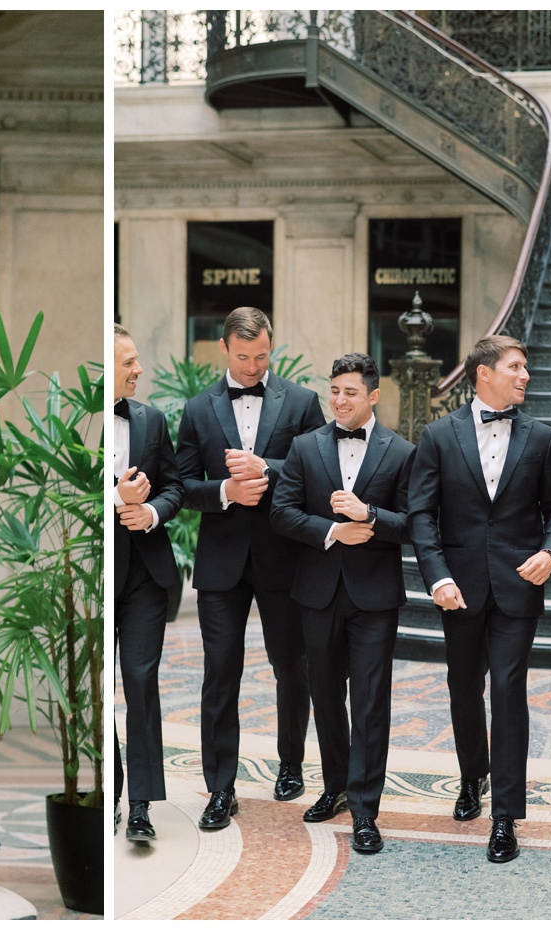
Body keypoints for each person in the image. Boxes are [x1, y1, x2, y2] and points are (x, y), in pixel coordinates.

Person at [407, 334, 551, 863]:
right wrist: (436, 577)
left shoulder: (542, 437)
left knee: (507, 689)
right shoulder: (437, 435)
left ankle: (505, 816)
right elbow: (421, 515)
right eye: (516, 367)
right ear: (483, 373)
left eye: (526, 367)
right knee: (463, 688)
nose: (525, 376)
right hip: (458, 589)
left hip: (518, 588)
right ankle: (470, 776)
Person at [174, 306, 326, 829]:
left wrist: (268, 469)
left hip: (285, 556)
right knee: (221, 673)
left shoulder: (302, 402)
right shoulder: (197, 409)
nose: (253, 367)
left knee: (292, 666)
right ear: (224, 349)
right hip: (221, 564)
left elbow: (318, 472)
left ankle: (291, 764)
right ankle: (221, 788)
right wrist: (226, 491)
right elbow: (183, 486)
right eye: (243, 358)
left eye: (262, 356)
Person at [269, 354, 415, 854]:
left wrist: (369, 515)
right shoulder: (304, 447)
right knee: (326, 697)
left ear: (373, 396)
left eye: (350, 392)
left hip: (375, 597)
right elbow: (282, 514)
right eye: (334, 390)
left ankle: (365, 809)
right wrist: (333, 531)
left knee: (371, 703)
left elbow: (416, 524)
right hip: (317, 592)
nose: (339, 400)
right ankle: (333, 786)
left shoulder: (401, 451)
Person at [111, 325, 183, 842]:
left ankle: (141, 806)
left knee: (140, 681)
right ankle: (106, 787)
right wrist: (116, 499)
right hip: (92, 572)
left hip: (145, 572)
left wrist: (151, 512)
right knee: (95, 690)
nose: (139, 369)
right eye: (129, 361)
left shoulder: (152, 420)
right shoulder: (76, 424)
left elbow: (175, 486)